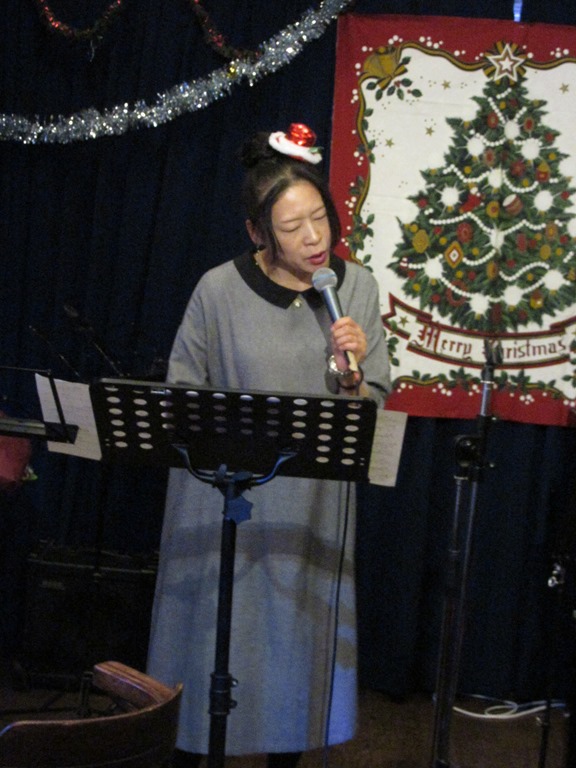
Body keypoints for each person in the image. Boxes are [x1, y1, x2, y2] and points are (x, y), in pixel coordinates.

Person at [146, 123, 391, 767]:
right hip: (223, 505)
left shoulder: (357, 288)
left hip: (310, 513)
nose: (314, 238)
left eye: (320, 218)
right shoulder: (218, 290)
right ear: (258, 233)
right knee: (210, 655)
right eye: (292, 226)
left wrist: (353, 376)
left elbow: (373, 404)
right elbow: (182, 393)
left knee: (292, 665)